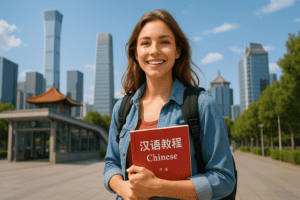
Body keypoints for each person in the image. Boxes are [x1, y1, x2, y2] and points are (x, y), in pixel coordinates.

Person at [103, 9, 236, 200]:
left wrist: (159, 187)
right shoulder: (123, 108)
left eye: (164, 42)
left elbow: (224, 179)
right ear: (136, 52)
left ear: (178, 51)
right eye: (145, 43)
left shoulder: (202, 105)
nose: (154, 50)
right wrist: (123, 188)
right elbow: (111, 164)